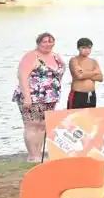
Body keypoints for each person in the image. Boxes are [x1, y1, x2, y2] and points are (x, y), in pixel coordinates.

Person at [13, 32, 65, 162]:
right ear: (38, 43)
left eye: (50, 41)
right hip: (32, 95)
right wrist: (27, 97)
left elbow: (59, 73)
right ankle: (32, 155)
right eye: (44, 41)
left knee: (42, 125)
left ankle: (38, 154)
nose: (48, 44)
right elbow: (22, 76)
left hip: (49, 97)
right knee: (32, 124)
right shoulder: (31, 56)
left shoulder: (56, 56)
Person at [67, 37, 103, 110]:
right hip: (77, 94)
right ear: (78, 48)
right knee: (73, 116)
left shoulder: (93, 61)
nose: (87, 50)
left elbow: (100, 78)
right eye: (83, 48)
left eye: (89, 48)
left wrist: (85, 73)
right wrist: (94, 72)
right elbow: (79, 76)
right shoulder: (74, 60)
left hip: (91, 94)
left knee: (90, 117)